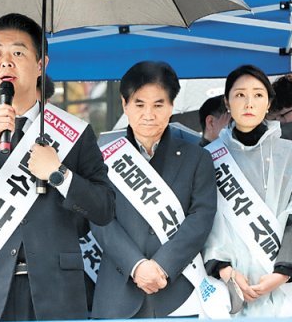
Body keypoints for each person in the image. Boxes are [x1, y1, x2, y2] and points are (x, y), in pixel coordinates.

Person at [0, 13, 114, 322]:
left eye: (18, 52)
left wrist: (60, 175)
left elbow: (104, 209)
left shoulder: (73, 132)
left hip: (57, 292)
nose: (6, 62)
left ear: (41, 64)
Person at [91, 61, 218, 318]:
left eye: (158, 105)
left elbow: (201, 218)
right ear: (125, 104)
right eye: (139, 104)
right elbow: (99, 218)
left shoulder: (197, 157)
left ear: (171, 106)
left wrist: (163, 265)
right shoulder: (101, 158)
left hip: (179, 292)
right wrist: (136, 266)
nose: (148, 114)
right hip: (118, 292)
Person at [203, 65, 292, 317]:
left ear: (269, 103)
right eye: (240, 95)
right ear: (227, 102)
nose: (249, 103)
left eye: (258, 95)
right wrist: (225, 269)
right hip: (228, 293)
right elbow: (201, 218)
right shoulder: (206, 159)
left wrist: (283, 271)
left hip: (289, 293)